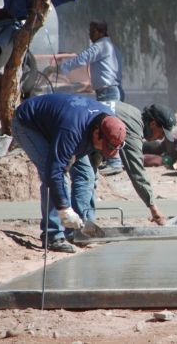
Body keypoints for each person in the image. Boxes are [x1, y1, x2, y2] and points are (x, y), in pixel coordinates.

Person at [11, 93, 127, 253]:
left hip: (61, 126)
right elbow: (55, 171)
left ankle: (81, 231)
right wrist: (64, 209)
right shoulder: (71, 131)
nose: (103, 150)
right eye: (104, 146)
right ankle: (53, 236)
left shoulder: (110, 124)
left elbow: (95, 155)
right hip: (29, 124)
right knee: (53, 175)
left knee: (87, 175)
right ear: (96, 133)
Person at [49, 20, 125, 175]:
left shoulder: (101, 46)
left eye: (92, 31)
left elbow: (82, 59)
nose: (90, 34)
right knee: (109, 126)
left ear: (99, 31)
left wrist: (58, 68)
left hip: (108, 92)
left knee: (108, 127)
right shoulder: (112, 47)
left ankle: (114, 162)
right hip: (112, 90)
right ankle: (107, 160)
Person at [95, 102, 177, 225]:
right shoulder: (132, 128)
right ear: (153, 123)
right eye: (161, 133)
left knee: (89, 176)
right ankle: (76, 229)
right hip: (74, 131)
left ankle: (81, 223)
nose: (161, 138)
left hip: (81, 127)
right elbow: (136, 171)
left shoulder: (132, 113)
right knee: (85, 177)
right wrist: (153, 209)